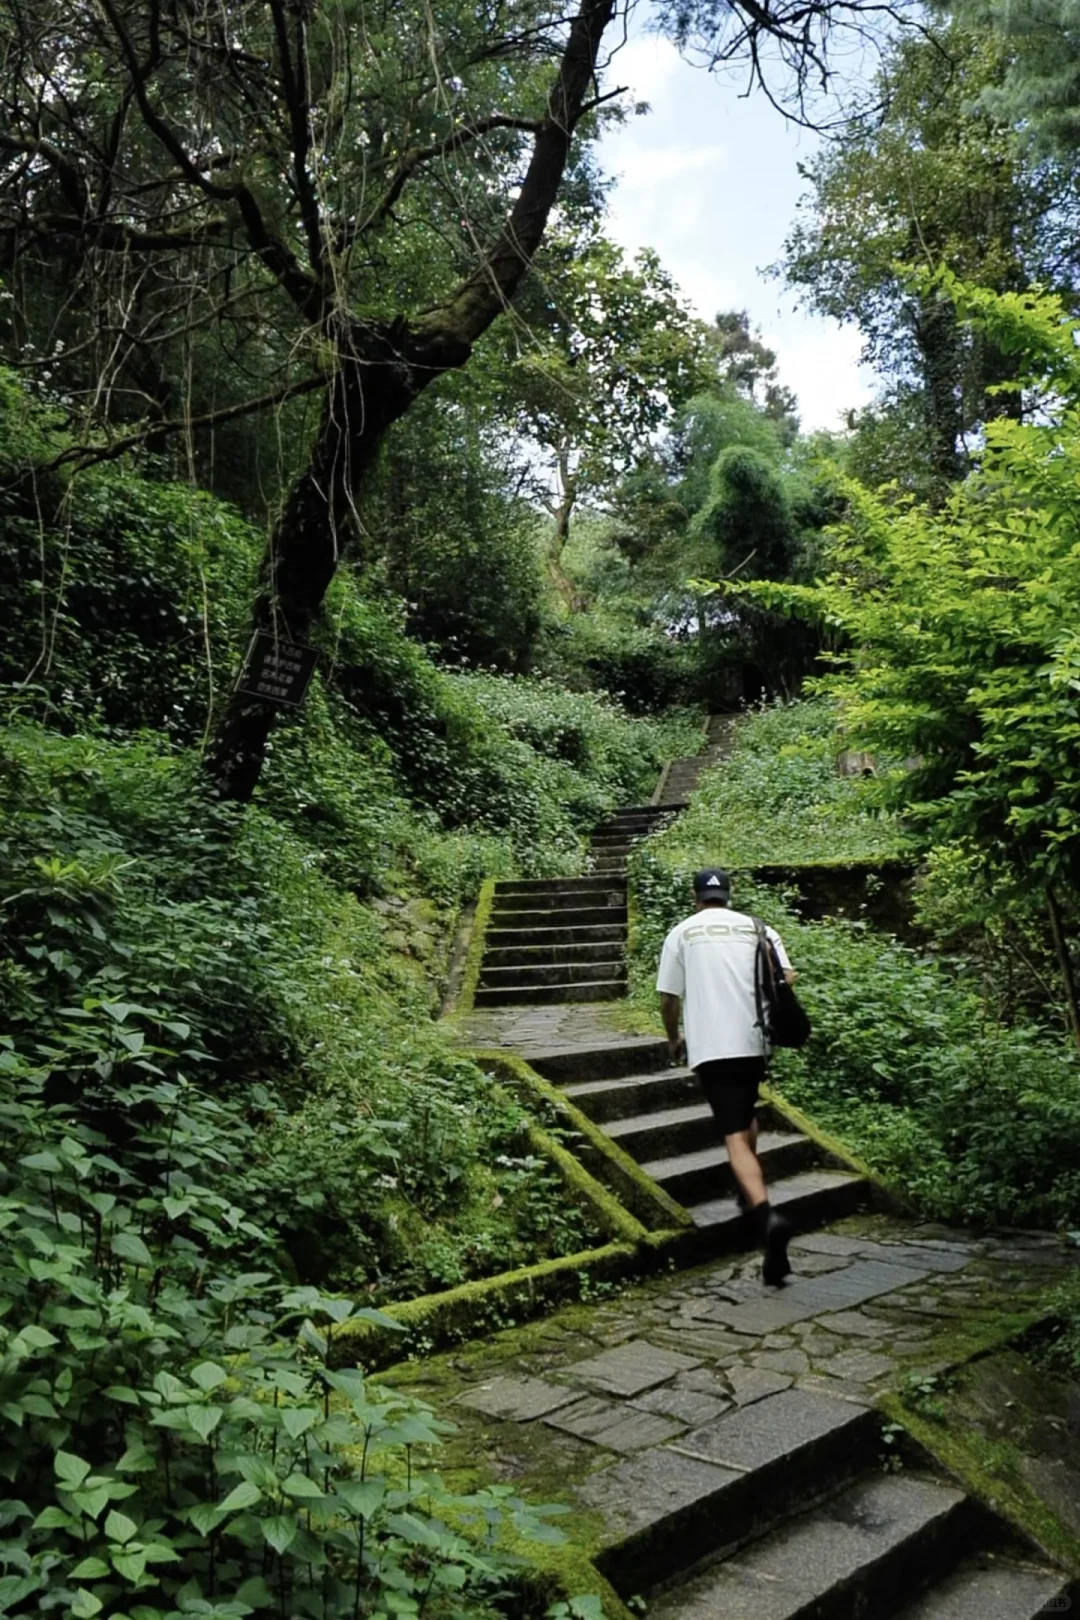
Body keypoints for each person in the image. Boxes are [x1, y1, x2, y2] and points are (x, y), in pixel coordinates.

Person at [656, 868, 796, 1286]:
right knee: (745, 1110)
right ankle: (746, 1189)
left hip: (712, 1047)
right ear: (729, 896)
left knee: (733, 1133)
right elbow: (787, 976)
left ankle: (765, 1216)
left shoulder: (682, 933)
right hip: (756, 1041)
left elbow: (668, 998)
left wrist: (673, 1038)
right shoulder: (757, 927)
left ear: (696, 896)